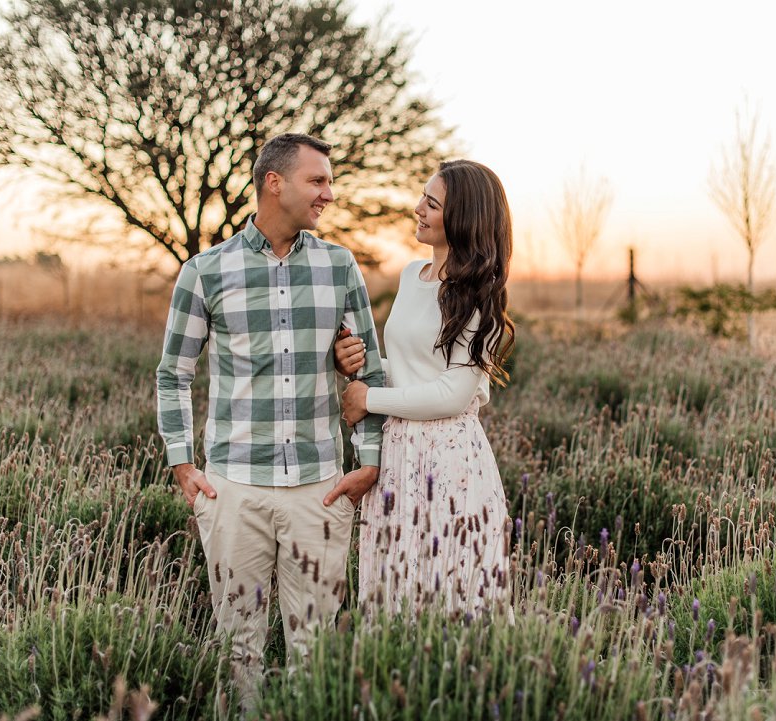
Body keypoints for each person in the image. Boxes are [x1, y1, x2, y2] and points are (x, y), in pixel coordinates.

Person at [155, 133, 385, 702]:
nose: (328, 194)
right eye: (318, 180)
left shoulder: (339, 267)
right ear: (273, 183)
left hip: (320, 492)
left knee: (317, 650)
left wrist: (370, 461)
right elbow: (172, 373)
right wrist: (184, 466)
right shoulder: (205, 272)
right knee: (239, 651)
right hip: (235, 489)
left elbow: (369, 369)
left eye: (329, 181)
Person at [335, 159, 515, 614]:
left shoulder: (479, 294)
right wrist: (359, 361)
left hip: (449, 458)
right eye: (423, 197)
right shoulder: (412, 276)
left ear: (461, 219)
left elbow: (451, 393)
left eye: (431, 204)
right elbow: (408, 364)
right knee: (393, 587)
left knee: (451, 592)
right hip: (398, 453)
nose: (418, 209)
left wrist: (368, 397)